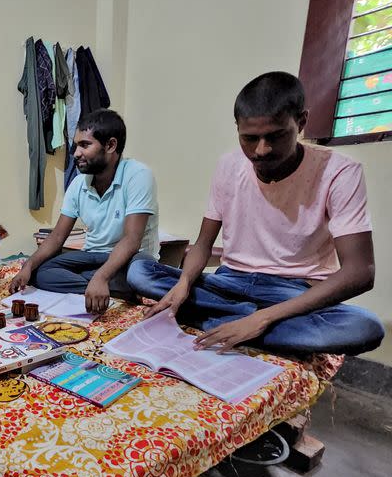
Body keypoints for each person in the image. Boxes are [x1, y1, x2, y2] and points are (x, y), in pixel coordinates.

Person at [127, 72, 384, 355]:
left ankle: (227, 321)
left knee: (366, 327)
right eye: (249, 138)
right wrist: (184, 284)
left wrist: (263, 318)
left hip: (293, 290)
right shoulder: (228, 165)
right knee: (139, 270)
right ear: (237, 128)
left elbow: (361, 271)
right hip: (230, 281)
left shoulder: (339, 172)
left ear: (301, 122)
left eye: (275, 136)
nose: (261, 150)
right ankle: (245, 323)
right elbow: (202, 244)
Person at [9, 108, 160, 313]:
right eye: (76, 145)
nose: (76, 153)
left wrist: (100, 276)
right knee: (40, 271)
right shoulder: (79, 183)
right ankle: (116, 290)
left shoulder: (138, 175)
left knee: (139, 275)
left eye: (84, 145)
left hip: (132, 258)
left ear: (110, 145)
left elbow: (132, 241)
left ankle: (104, 283)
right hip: (92, 257)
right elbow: (56, 237)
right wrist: (28, 265)